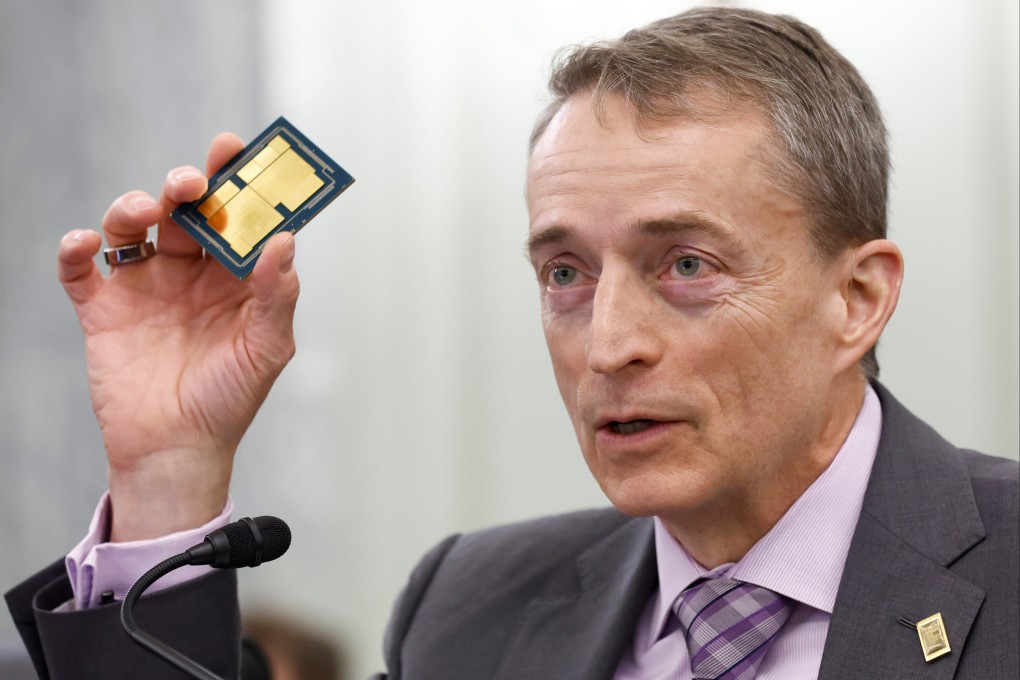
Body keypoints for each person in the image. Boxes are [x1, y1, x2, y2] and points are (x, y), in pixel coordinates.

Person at [6, 7, 1017, 679]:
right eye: (566, 273)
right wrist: (170, 473)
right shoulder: (472, 608)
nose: (609, 342)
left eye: (687, 265)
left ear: (857, 297)